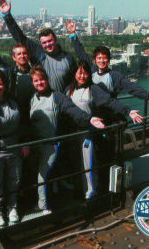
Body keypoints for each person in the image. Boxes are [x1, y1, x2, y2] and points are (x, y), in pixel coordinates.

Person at [29, 65, 105, 215]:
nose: (39, 83)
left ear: (47, 79)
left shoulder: (57, 96)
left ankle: (44, 207)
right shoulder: (33, 98)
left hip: (50, 145)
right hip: (36, 144)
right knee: (38, 175)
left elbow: (72, 109)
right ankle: (44, 200)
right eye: (36, 81)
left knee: (42, 177)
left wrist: (88, 119)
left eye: (42, 80)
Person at [66, 60, 143, 199]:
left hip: (87, 133)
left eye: (85, 73)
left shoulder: (93, 89)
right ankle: (79, 191)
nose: (82, 76)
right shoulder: (68, 90)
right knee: (75, 164)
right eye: (79, 73)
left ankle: (91, 194)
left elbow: (109, 101)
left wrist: (128, 111)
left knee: (88, 166)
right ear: (74, 74)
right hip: (72, 133)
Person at [64, 19, 149, 106]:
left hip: (108, 111)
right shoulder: (92, 69)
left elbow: (131, 87)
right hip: (93, 110)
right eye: (99, 58)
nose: (101, 61)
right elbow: (81, 53)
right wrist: (73, 34)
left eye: (104, 58)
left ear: (108, 60)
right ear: (94, 60)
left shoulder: (114, 76)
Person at [0, 69, 29, 226]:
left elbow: (22, 124)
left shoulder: (12, 101)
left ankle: (12, 207)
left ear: (5, 85)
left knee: (15, 179)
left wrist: (24, 142)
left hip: (14, 145)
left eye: (0, 84)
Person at [0, 0, 76, 93]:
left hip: (63, 102)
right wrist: (7, 15)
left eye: (50, 41)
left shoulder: (67, 58)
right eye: (44, 42)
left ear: (55, 40)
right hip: (42, 101)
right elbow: (20, 37)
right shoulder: (39, 53)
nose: (47, 44)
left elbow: (75, 80)